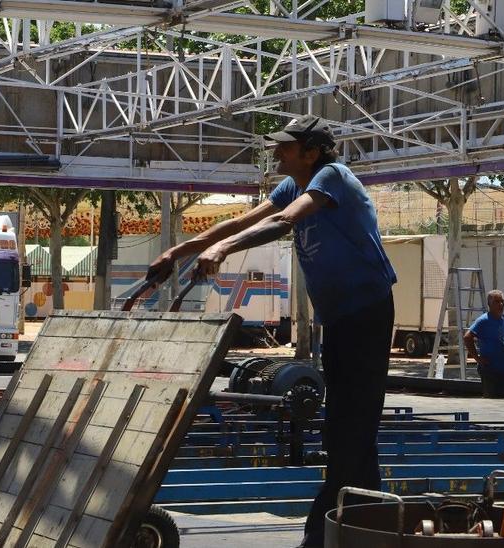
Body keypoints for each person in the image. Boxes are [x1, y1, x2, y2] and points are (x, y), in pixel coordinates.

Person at [145, 115, 397, 548]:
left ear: (311, 152)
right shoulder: (290, 186)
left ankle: (322, 532)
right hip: (338, 318)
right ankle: (368, 519)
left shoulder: (330, 177)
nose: (277, 153)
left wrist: (222, 251)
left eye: (285, 147)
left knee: (347, 426)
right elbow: (244, 222)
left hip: (367, 312)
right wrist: (181, 249)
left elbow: (285, 222)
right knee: (350, 425)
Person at [464, 290, 504, 398]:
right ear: (489, 304)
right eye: (497, 302)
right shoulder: (483, 320)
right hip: (490, 369)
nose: (500, 305)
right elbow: (467, 337)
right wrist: (477, 358)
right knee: (492, 400)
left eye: (502, 302)